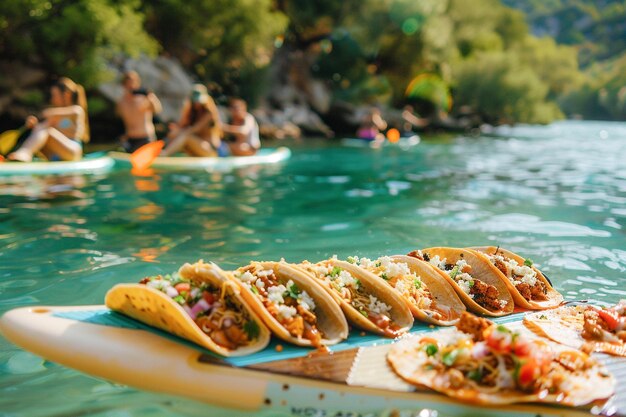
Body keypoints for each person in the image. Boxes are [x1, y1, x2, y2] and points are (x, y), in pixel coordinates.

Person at [8, 77, 88, 162]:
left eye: (54, 95)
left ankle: (25, 153)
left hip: (73, 151)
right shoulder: (54, 116)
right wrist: (34, 126)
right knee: (41, 129)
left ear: (67, 95)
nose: (52, 99)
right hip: (53, 154)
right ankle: (23, 154)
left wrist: (40, 119)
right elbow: (40, 132)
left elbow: (47, 113)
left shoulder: (76, 110)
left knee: (47, 130)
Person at [161, 84, 225, 157]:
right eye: (195, 101)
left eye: (199, 101)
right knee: (174, 134)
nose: (197, 103)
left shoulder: (209, 113)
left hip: (209, 149)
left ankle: (165, 154)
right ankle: (162, 151)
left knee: (185, 136)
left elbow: (194, 129)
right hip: (196, 147)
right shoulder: (192, 112)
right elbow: (181, 125)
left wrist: (178, 131)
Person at [116, 70, 162, 153]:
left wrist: (151, 97)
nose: (131, 86)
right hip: (130, 139)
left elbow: (157, 109)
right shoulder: (121, 102)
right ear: (124, 85)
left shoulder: (144, 99)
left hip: (146, 138)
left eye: (133, 83)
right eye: (128, 83)